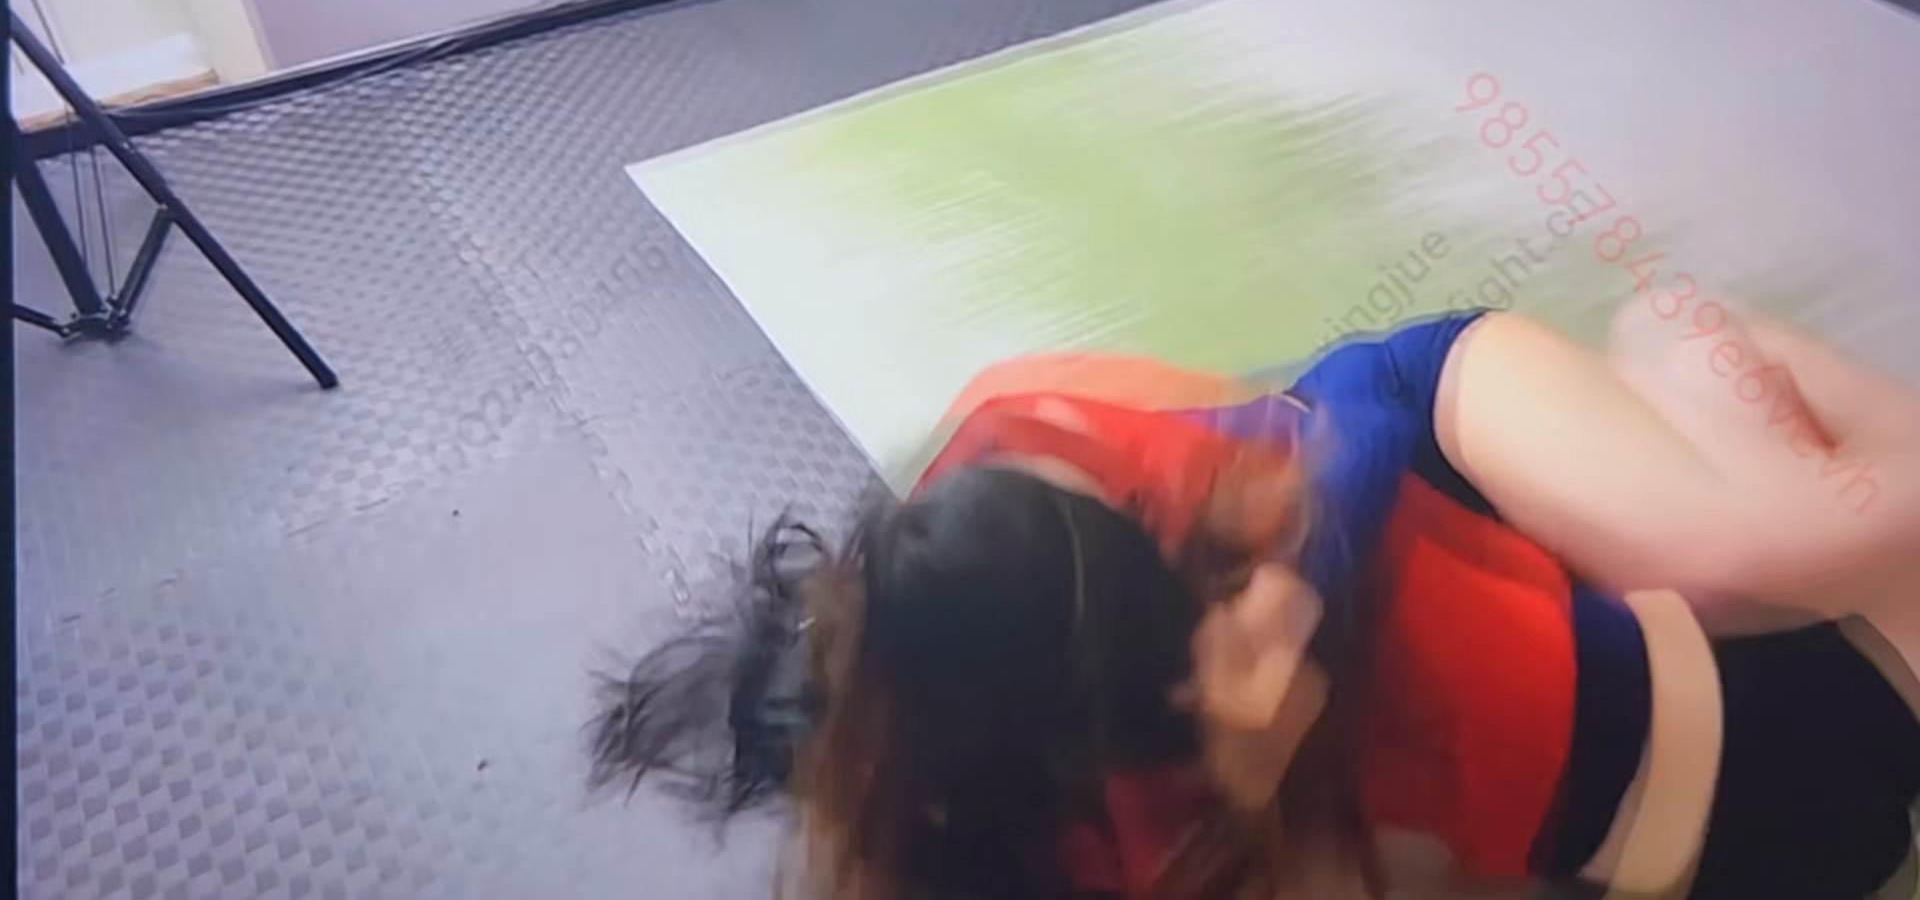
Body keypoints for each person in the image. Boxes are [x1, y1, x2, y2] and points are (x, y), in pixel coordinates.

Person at [587, 303, 1920, 900]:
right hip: (1598, 679)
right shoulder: (1066, 847)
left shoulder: (1034, 440)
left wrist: (1304, 577)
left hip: (1446, 429)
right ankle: (1696, 362)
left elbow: (1357, 405)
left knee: (1761, 536)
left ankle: (1689, 358)